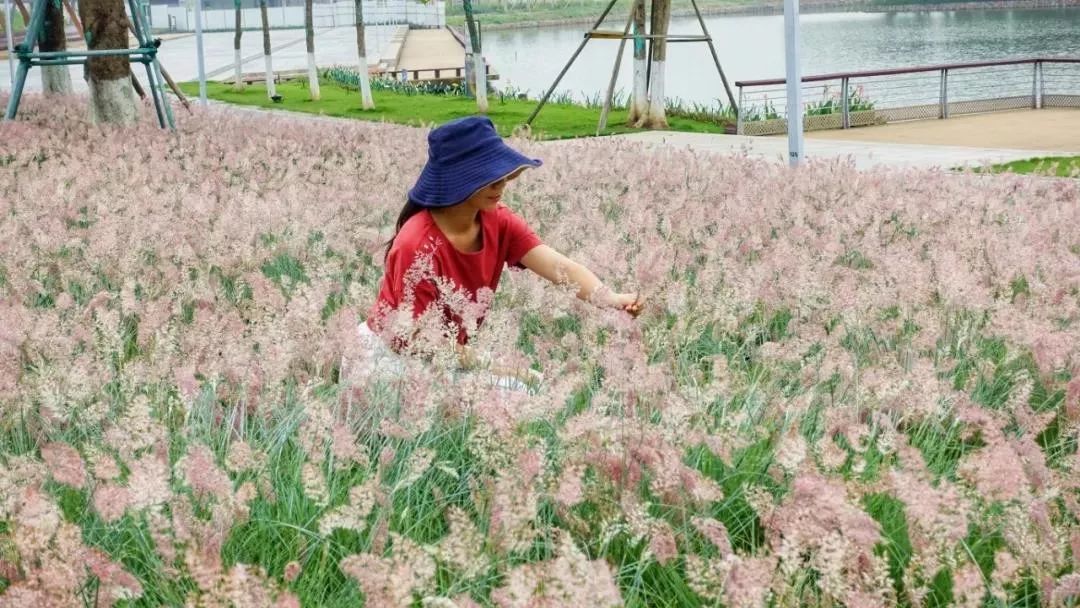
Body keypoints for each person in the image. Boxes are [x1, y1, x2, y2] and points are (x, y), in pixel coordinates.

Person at [361, 116, 643, 388]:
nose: (502, 184)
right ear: (457, 180)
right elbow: (420, 341)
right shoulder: (417, 246)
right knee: (519, 391)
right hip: (391, 361)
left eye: (503, 175)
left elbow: (558, 266)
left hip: (446, 356)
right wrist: (499, 367)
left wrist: (609, 298)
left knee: (530, 387)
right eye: (490, 177)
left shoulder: (497, 220)